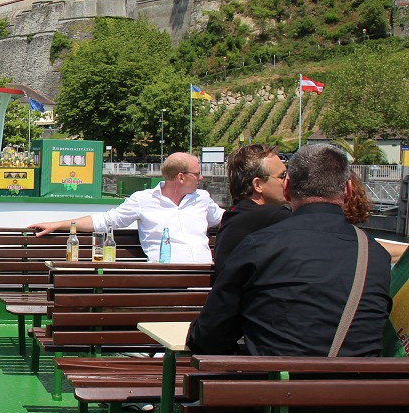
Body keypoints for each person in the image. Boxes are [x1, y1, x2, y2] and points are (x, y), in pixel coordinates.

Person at [186, 144, 392, 356]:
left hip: (278, 385)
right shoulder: (375, 255)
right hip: (360, 386)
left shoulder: (259, 246)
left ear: (287, 187)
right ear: (348, 190)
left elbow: (208, 338)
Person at [29, 152, 223, 263]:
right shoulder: (144, 200)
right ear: (181, 177)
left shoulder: (202, 199)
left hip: (206, 279)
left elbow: (226, 219)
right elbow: (106, 221)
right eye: (197, 174)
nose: (201, 178)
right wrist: (59, 224)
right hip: (166, 279)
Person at [212, 144, 291, 278]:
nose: (288, 180)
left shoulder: (234, 216)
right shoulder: (274, 218)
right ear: (258, 185)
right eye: (282, 176)